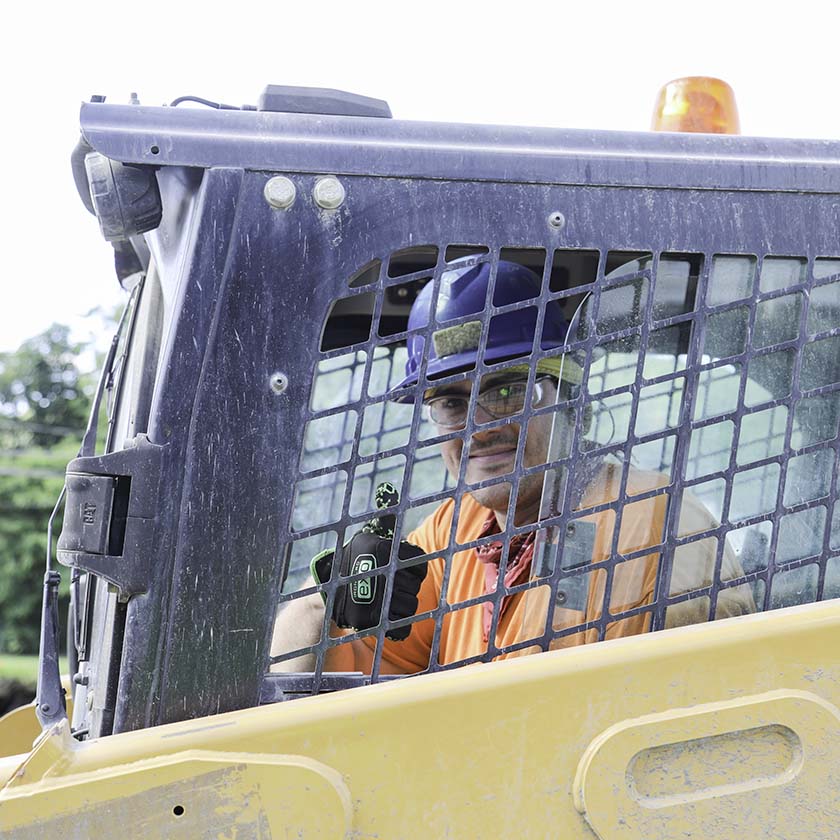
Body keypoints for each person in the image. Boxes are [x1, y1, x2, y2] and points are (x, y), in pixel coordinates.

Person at [272, 259, 754, 673]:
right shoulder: (455, 530)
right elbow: (330, 645)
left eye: (506, 392)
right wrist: (328, 598)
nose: (477, 429)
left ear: (570, 402)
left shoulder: (659, 525)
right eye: (451, 404)